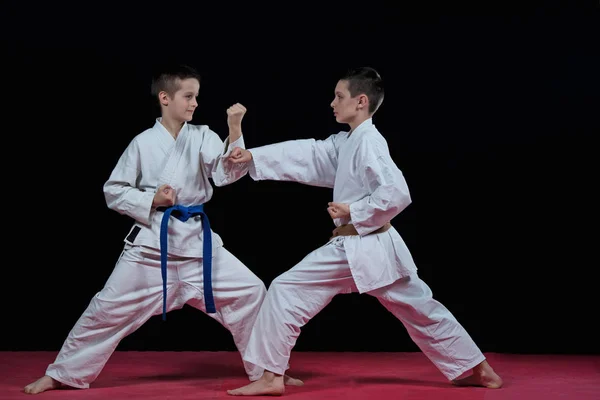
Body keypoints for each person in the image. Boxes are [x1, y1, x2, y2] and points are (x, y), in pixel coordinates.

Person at [23, 64, 302, 395]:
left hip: (199, 246)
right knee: (106, 309)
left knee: (252, 292)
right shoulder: (142, 143)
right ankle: (61, 374)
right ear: (165, 98)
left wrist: (235, 128)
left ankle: (269, 372)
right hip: (152, 248)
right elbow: (113, 190)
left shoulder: (204, 136)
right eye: (188, 96)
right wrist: (152, 199)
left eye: (197, 96)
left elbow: (226, 174)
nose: (195, 103)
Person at [225, 67, 504, 396]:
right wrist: (254, 154)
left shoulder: (369, 142)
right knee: (420, 308)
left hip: (357, 245)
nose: (332, 103)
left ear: (361, 101)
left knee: (286, 290)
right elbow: (308, 154)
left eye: (339, 97)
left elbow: (397, 193)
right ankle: (479, 369)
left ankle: (271, 378)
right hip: (376, 248)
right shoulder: (348, 142)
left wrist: (352, 210)